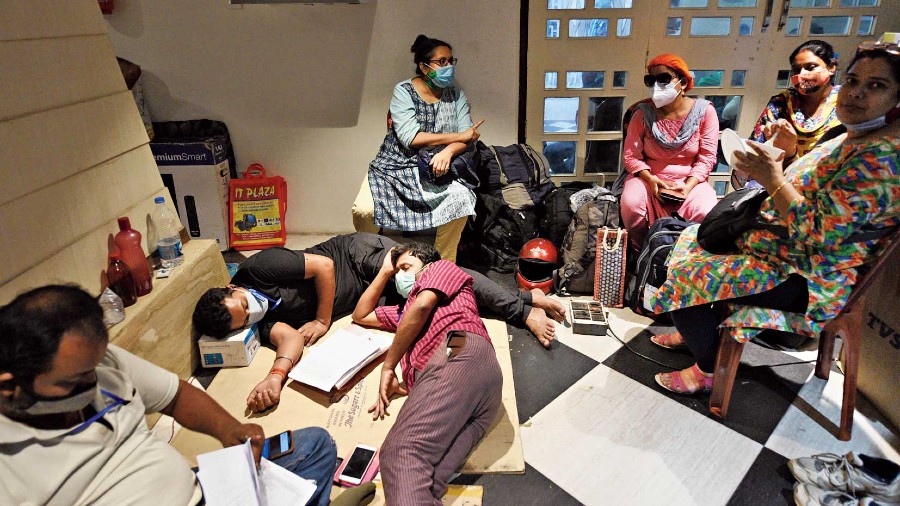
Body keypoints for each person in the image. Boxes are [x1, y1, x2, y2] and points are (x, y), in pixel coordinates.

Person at [649, 42, 899, 394]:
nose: (855, 94)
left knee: (686, 274)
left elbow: (818, 234)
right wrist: (783, 155)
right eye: (855, 81)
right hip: (780, 252)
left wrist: (773, 178)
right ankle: (698, 331)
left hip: (808, 278)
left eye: (877, 86)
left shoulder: (883, 160)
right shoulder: (854, 137)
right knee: (687, 239)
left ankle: (708, 368)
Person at [0, 285, 336, 506]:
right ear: (9, 385)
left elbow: (175, 396)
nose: (93, 384)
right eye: (74, 381)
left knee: (316, 444)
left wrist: (230, 430)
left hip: (203, 491)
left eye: (95, 368)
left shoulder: (103, 363)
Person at [192, 233, 564, 413]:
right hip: (362, 295)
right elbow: (289, 341)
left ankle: (524, 306)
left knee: (431, 278)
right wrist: (275, 376)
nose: (252, 308)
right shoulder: (261, 318)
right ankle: (524, 300)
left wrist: (323, 320)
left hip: (355, 259)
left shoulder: (259, 268)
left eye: (243, 302)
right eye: (247, 317)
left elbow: (323, 266)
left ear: (231, 286)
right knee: (434, 307)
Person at [351, 242, 502, 505]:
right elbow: (360, 314)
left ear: (427, 263)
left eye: (406, 267)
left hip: (460, 343)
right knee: (427, 481)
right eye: (397, 272)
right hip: (475, 390)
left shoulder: (441, 269)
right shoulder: (403, 313)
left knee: (400, 454)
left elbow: (422, 307)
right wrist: (385, 272)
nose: (401, 276)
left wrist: (389, 366)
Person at [352, 34, 483, 262]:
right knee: (364, 211)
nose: (448, 67)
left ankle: (443, 264)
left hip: (435, 169)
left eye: (451, 61)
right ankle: (368, 260)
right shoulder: (404, 91)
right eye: (441, 62)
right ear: (424, 67)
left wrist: (448, 151)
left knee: (461, 200)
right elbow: (410, 137)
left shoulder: (456, 95)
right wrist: (459, 136)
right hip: (394, 166)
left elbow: (468, 137)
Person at [621, 53, 719, 250]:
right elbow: (631, 157)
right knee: (632, 205)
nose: (656, 85)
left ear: (682, 82)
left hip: (690, 181)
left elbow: (707, 158)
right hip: (649, 179)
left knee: (707, 210)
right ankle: (644, 252)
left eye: (664, 79)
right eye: (651, 80)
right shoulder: (641, 114)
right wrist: (651, 180)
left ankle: (688, 257)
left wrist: (688, 186)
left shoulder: (705, 112)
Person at [735, 40, 842, 188]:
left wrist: (791, 151)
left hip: (829, 183)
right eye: (796, 70)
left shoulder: (846, 104)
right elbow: (755, 151)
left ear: (831, 67)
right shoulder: (781, 104)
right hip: (779, 179)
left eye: (811, 67)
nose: (802, 75)